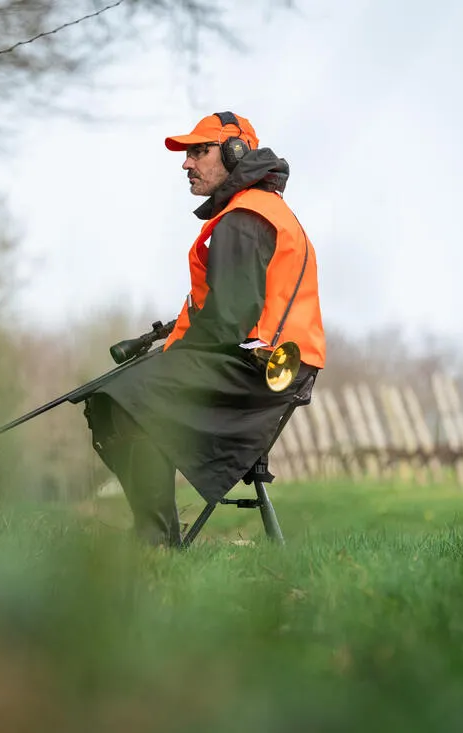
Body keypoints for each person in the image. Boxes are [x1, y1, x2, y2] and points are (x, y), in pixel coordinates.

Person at [83, 111, 326, 547]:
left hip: (261, 373)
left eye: (199, 151)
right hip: (263, 368)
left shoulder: (246, 218)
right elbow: (230, 310)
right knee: (123, 392)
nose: (186, 163)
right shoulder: (255, 212)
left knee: (126, 397)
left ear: (235, 153)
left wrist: (175, 355)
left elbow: (229, 321)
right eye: (187, 153)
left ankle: (155, 545)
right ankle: (156, 539)